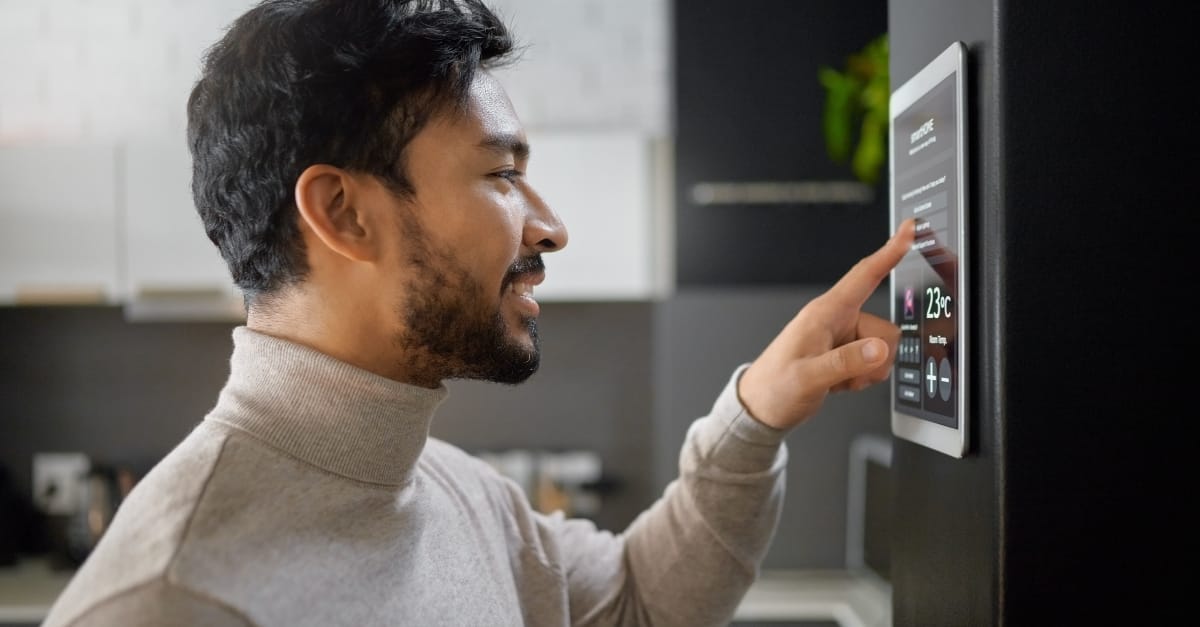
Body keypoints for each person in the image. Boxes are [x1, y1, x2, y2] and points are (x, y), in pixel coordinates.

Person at [41, 1, 915, 625]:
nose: (553, 225)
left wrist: (753, 414)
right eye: (501, 174)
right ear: (343, 214)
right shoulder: (172, 599)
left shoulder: (459, 490)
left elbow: (643, 603)